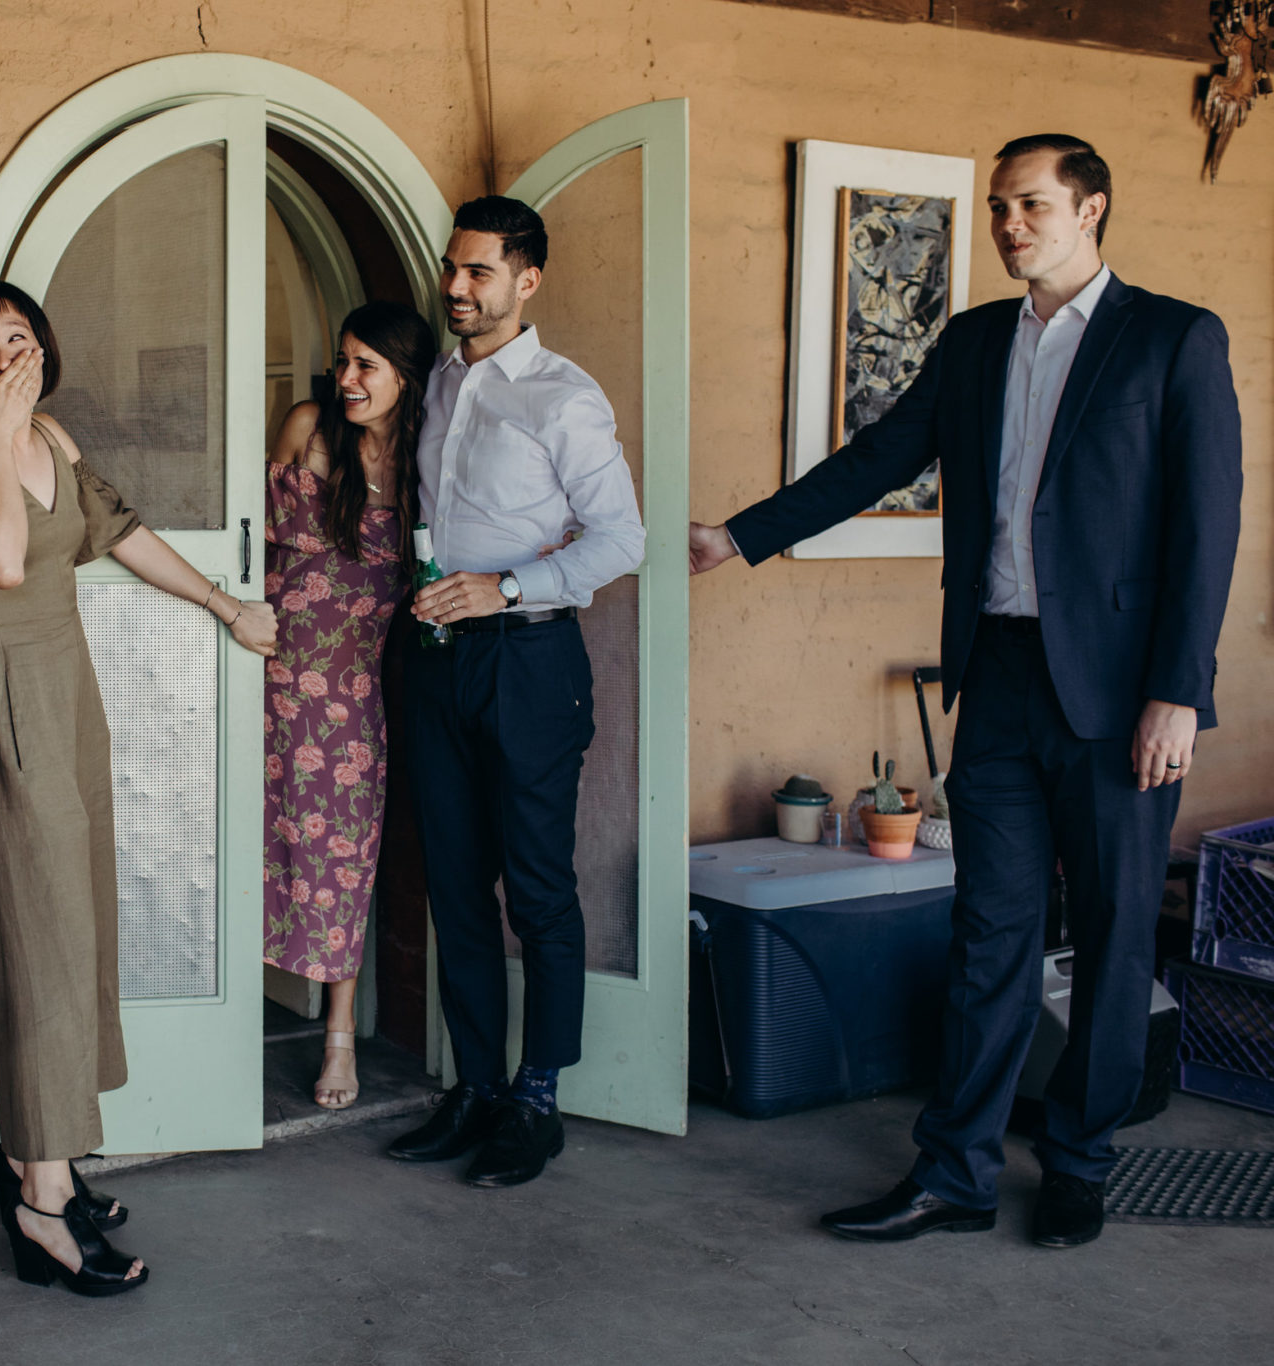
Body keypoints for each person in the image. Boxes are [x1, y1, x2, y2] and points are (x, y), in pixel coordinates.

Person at [691, 135, 1241, 1249]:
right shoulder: (977, 339)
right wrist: (736, 536)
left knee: (1113, 931)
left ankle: (1078, 1163)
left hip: (1122, 698)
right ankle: (953, 1172)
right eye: (996, 207)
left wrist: (1176, 692)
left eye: (1028, 204)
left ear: (1090, 208)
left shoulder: (1172, 338)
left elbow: (1205, 524)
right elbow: (877, 456)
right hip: (993, 677)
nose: (1006, 225)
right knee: (987, 930)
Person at [0, 282, 276, 1296]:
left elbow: (120, 532)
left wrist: (224, 603)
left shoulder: (53, 437)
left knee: (79, 927)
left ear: (43, 347)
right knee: (38, 934)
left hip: (66, 686)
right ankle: (40, 1201)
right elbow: (4, 563)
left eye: (14, 338)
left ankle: (38, 1155)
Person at [384, 197, 645, 1188]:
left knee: (536, 889)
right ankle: (476, 1087)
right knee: (452, 884)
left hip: (529, 663)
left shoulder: (562, 397)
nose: (455, 288)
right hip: (439, 660)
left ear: (526, 281)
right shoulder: (440, 384)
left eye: (478, 272)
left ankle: (537, 1098)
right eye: (451, 269)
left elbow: (622, 538)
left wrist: (507, 585)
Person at [263, 300, 434, 1110]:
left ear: (407, 376)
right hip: (259, 669)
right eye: (344, 361)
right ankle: (213, 1021)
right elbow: (250, 536)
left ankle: (338, 1040)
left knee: (340, 865)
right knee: (240, 846)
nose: (349, 378)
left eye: (367, 365)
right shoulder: (306, 425)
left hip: (348, 697)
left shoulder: (424, 463)